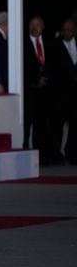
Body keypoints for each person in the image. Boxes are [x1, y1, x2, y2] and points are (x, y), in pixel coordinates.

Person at [23, 15, 52, 160]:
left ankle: (41, 156)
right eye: (32, 24)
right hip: (28, 91)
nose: (34, 27)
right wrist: (35, 80)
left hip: (45, 93)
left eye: (38, 24)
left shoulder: (50, 43)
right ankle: (23, 154)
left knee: (41, 125)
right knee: (26, 124)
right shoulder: (22, 43)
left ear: (43, 26)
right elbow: (22, 67)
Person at [49, 18, 77, 164]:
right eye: (65, 30)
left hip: (75, 94)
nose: (68, 32)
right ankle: (56, 155)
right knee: (57, 126)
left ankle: (72, 154)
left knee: (75, 125)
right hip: (60, 94)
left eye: (71, 30)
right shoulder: (55, 45)